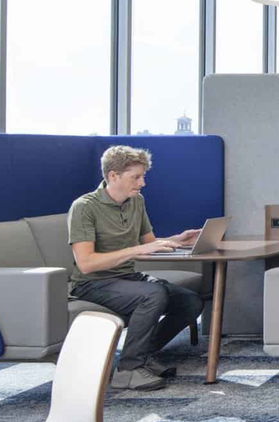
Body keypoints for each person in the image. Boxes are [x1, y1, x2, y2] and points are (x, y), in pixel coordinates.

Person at [68, 146, 204, 391]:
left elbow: (148, 243)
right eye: (136, 177)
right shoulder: (84, 207)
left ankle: (143, 355)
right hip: (92, 284)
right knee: (153, 295)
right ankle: (128, 370)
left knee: (190, 302)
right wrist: (135, 251)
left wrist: (177, 240)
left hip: (127, 277)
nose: (142, 183)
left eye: (143, 176)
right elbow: (87, 263)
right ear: (113, 176)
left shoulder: (136, 201)